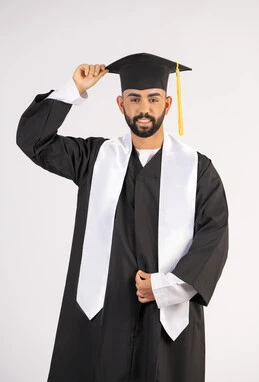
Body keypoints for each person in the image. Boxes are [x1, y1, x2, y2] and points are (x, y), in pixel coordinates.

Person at [16, 53, 228, 382]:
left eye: (153, 99)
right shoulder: (93, 158)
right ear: (120, 104)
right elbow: (32, 140)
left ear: (167, 104)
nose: (144, 108)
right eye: (134, 99)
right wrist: (73, 89)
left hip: (166, 318)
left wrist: (166, 286)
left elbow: (214, 236)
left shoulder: (198, 170)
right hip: (102, 314)